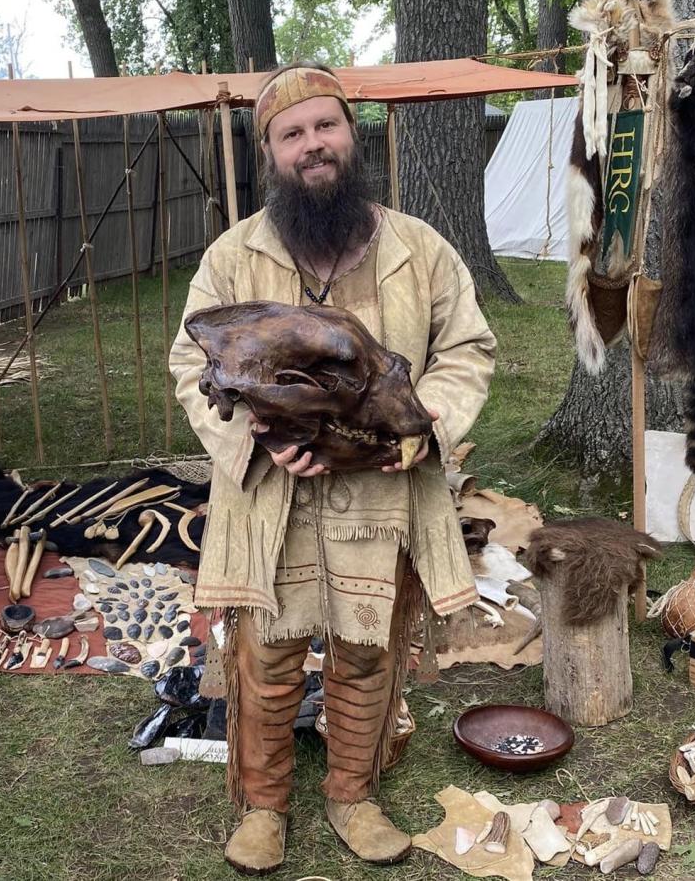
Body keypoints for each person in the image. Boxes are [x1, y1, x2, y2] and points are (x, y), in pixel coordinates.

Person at [170, 62, 496, 875]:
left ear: (352, 136)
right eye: (292, 134)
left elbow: (467, 351)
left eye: (326, 127)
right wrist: (254, 437)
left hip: (382, 491)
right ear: (271, 154)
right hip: (271, 495)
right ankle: (263, 805)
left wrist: (422, 430)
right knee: (269, 654)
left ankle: (352, 793)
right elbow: (190, 362)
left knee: (368, 652)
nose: (312, 145)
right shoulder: (231, 257)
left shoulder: (419, 250)